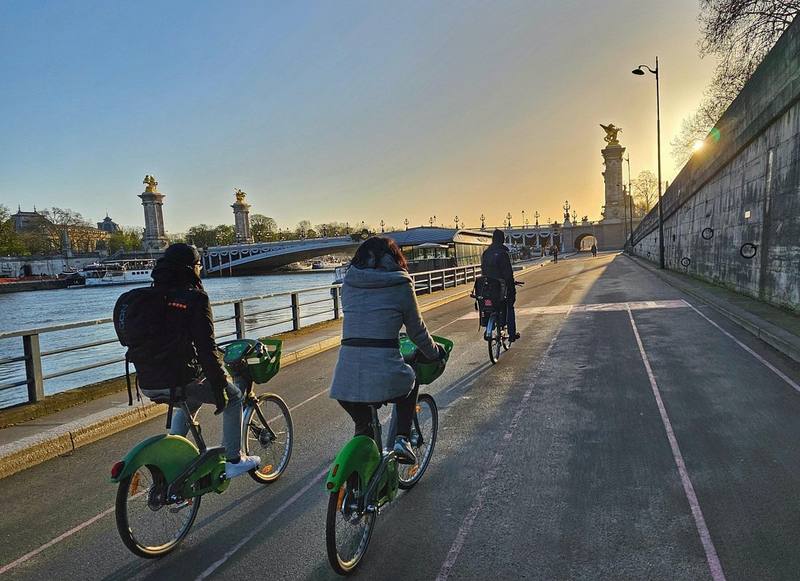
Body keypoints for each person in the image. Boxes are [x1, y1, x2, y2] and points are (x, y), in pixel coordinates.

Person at [134, 243, 260, 479]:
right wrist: (220, 381)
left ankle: (173, 457)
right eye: (199, 265)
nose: (201, 269)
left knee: (190, 396)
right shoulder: (195, 297)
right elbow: (205, 348)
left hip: (148, 381)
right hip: (179, 376)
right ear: (192, 268)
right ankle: (234, 459)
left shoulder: (151, 297)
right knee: (233, 398)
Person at [330, 237, 444, 465]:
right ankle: (402, 439)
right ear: (394, 259)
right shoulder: (401, 284)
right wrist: (434, 353)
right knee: (410, 381)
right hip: (383, 372)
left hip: (344, 381)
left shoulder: (349, 285)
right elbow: (417, 332)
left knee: (365, 428)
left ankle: (360, 482)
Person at [480, 229, 519, 342]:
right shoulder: (503, 254)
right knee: (509, 305)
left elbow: (483, 271)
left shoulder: (486, 253)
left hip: (488, 288)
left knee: (491, 306)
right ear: (502, 240)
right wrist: (512, 289)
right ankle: (512, 334)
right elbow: (508, 274)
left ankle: (490, 326)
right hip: (500, 289)